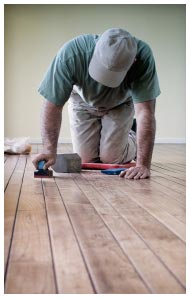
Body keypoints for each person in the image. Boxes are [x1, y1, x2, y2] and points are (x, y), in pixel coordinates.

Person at [32, 28, 161, 179]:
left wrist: (143, 164)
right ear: (95, 49)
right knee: (85, 158)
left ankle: (132, 134)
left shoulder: (144, 58)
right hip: (82, 101)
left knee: (111, 158)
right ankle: (117, 138)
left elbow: (145, 112)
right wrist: (48, 150)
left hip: (120, 103)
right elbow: (52, 105)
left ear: (133, 62)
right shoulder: (72, 54)